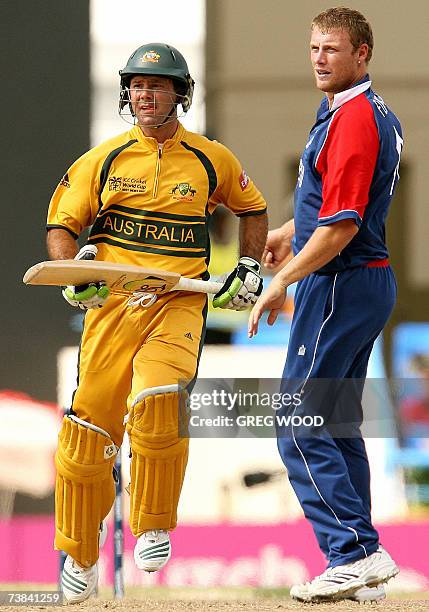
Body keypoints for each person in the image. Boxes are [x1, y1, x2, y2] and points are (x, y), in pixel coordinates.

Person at [47, 43, 267, 602]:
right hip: (112, 306)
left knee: (158, 399)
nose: (144, 96)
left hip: (178, 302)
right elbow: (61, 224)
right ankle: (77, 553)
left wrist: (246, 265)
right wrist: (74, 272)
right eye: (137, 87)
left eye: (156, 86)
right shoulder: (105, 158)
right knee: (87, 432)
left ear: (180, 93)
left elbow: (252, 209)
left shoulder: (211, 159)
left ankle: (153, 521)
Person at [249, 7, 401, 604]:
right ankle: (365, 558)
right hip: (362, 279)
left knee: (298, 422)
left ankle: (351, 554)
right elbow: (331, 203)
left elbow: (340, 227)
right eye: (314, 47)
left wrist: (281, 277)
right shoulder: (354, 111)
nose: (319, 58)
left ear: (362, 54)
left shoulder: (356, 118)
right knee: (336, 424)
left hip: (340, 282)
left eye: (332, 49)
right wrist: (290, 229)